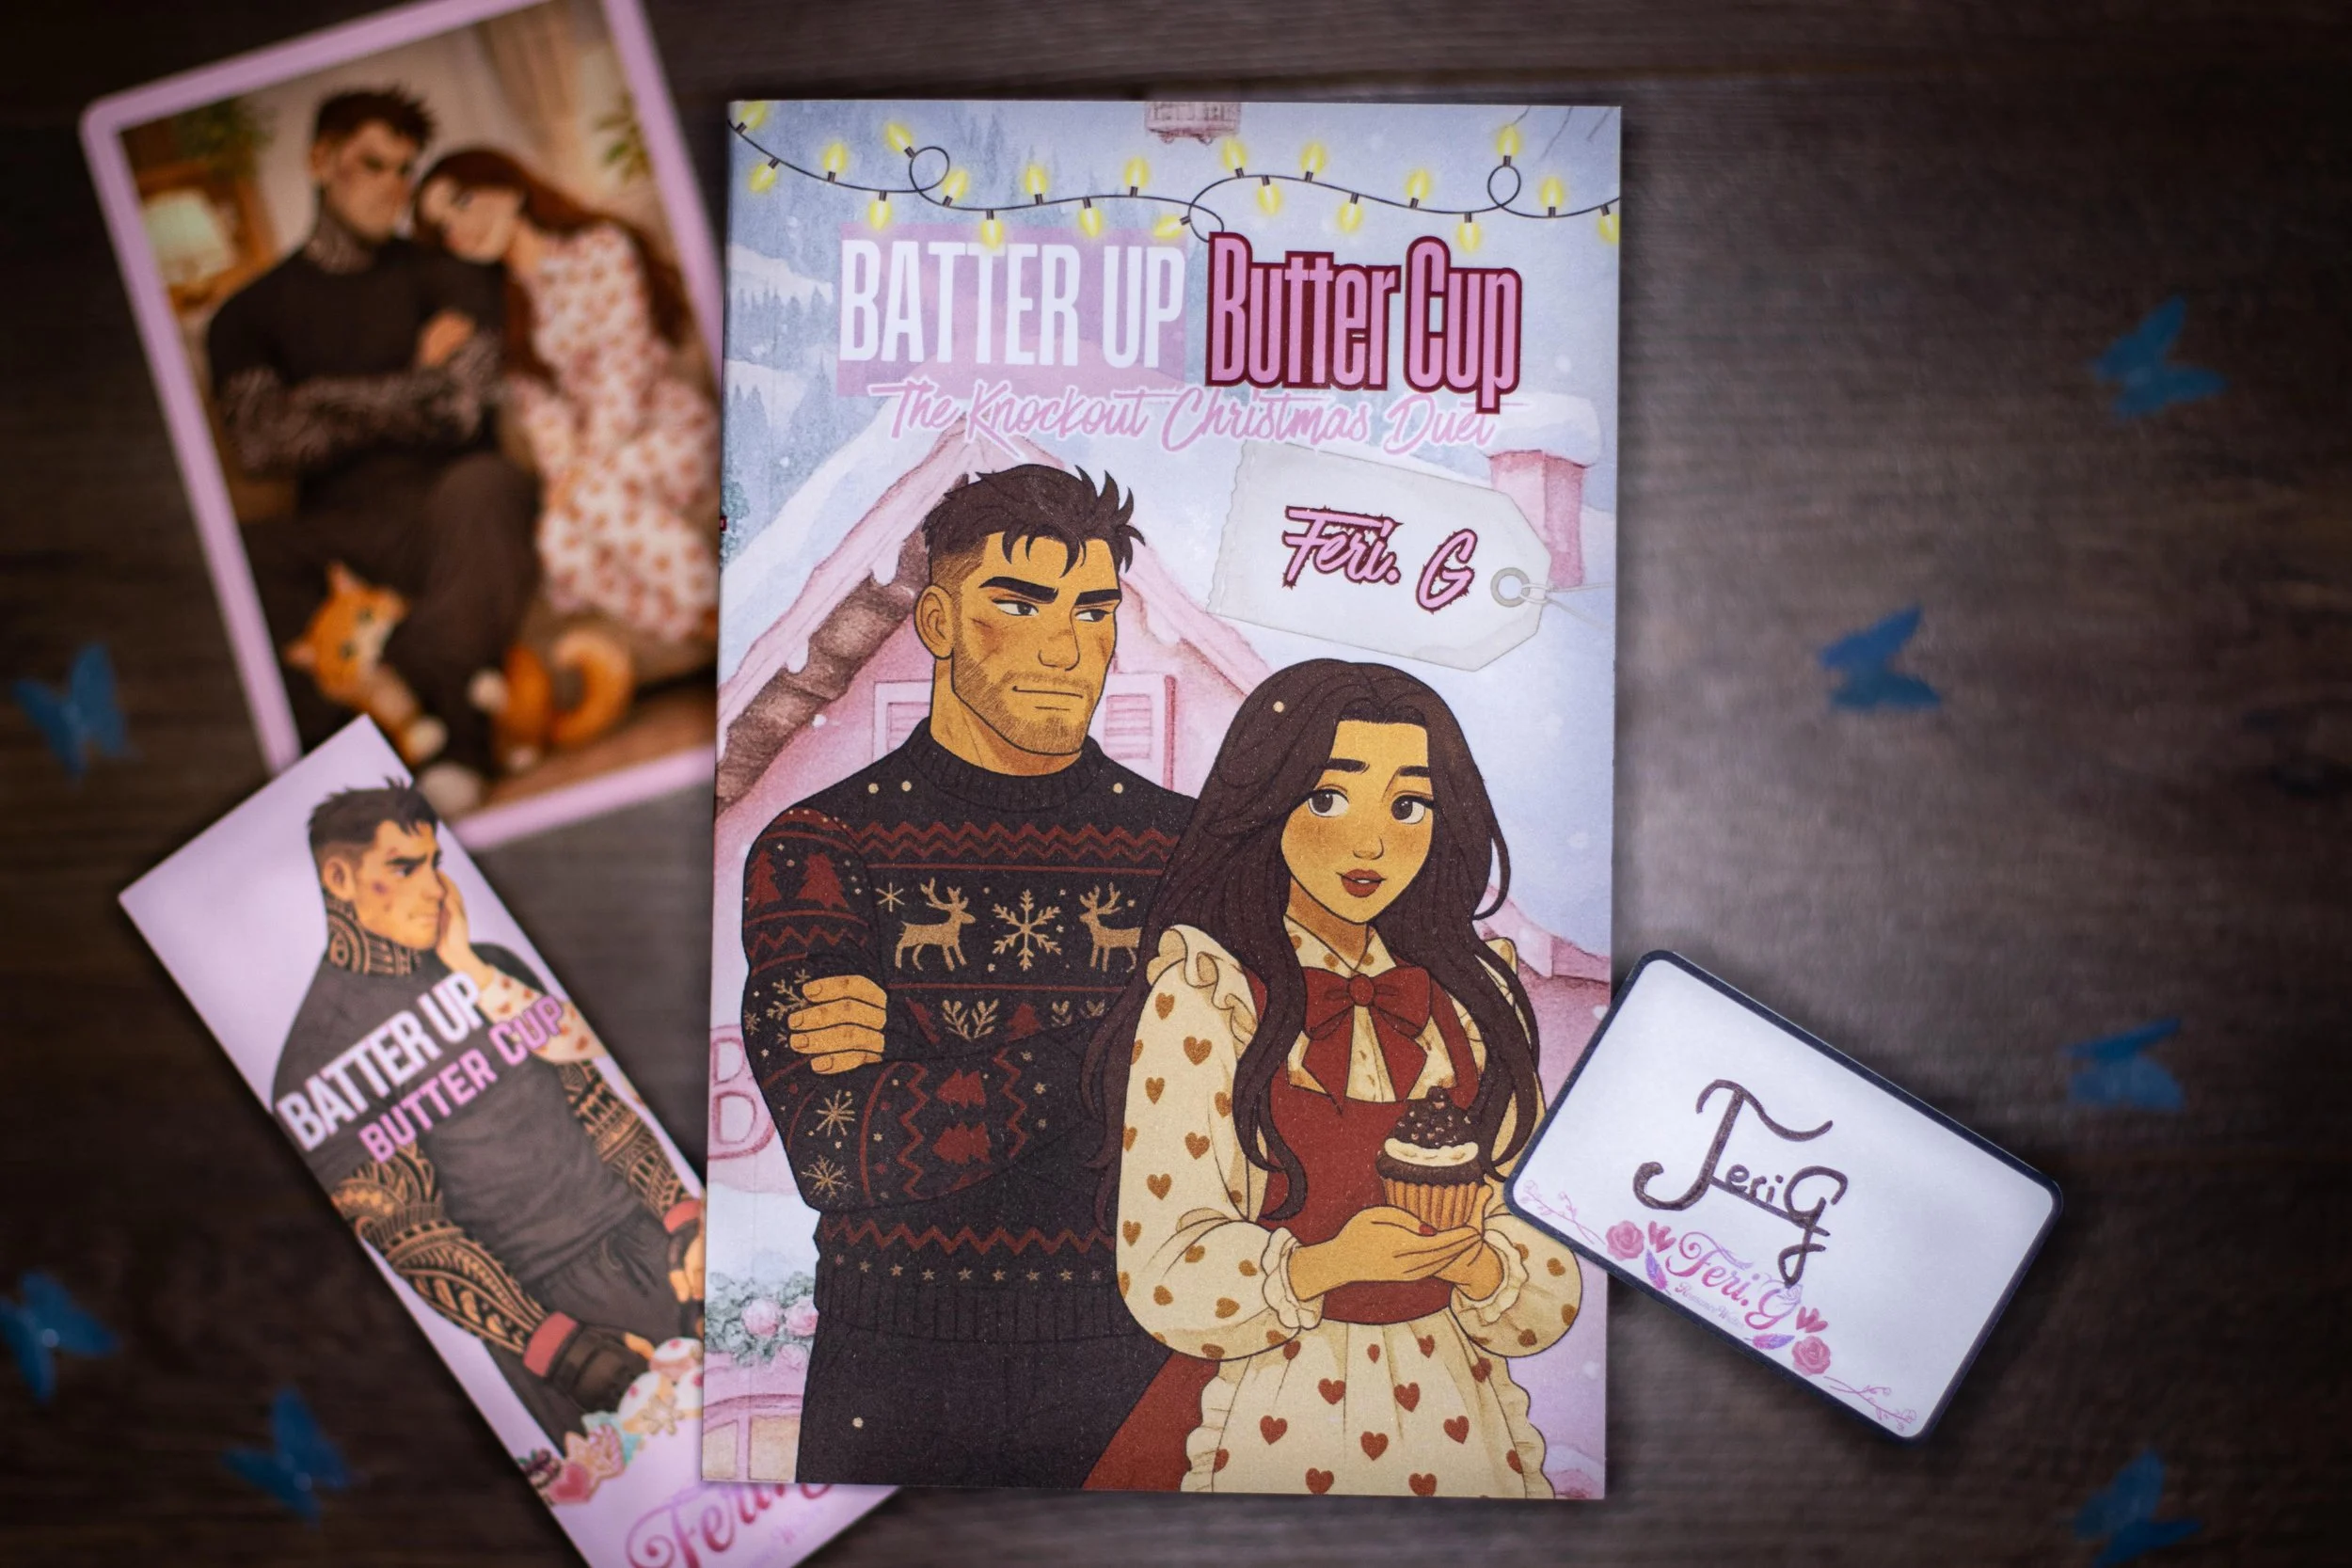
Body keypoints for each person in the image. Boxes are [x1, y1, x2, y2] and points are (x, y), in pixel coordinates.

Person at [738, 466, 1191, 1486]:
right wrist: (1128, 1042)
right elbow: (839, 1152)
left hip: (1141, 1362)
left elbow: (1239, 1122)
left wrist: (918, 1053)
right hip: (895, 1371)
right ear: (937, 621)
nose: (1066, 649)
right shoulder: (820, 845)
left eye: (1093, 611)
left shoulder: (1188, 850)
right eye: (1019, 605)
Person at [1082, 660, 1581, 1497]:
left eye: (1408, 805)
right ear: (1266, 801)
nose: (1371, 843)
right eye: (1327, 798)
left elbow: (1548, 1250)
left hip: (1452, 1409)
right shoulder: (1209, 994)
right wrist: (1324, 1264)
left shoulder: (1471, 1002)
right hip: (1258, 1395)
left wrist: (1480, 1266)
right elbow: (1163, 1263)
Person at [272, 782, 704, 1444]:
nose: (433, 888)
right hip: (552, 1313)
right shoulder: (317, 1062)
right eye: (403, 868)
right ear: (339, 878)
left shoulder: (488, 967)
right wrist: (562, 1351)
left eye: (434, 862)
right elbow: (412, 1233)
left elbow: (596, 1101)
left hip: (660, 1250)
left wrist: (683, 1220)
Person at [209, 90, 538, 811]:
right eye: (372, 164)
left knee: (489, 485)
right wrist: (415, 382)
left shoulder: (453, 272)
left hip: (447, 504)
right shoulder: (246, 315)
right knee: (236, 555)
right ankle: (344, 762)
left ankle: (453, 734)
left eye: (404, 169)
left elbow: (458, 410)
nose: (393, 185)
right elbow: (264, 442)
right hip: (337, 531)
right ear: (321, 161)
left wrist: (320, 397)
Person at [413, 149, 718, 647]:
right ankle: (704, 626)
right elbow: (542, 411)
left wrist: (583, 470)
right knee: (559, 542)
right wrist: (563, 474)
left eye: (462, 202)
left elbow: (625, 365)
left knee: (588, 496)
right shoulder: (508, 309)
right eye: (444, 228)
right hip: (597, 459)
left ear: (509, 188)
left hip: (664, 426)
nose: (460, 228)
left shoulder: (600, 247)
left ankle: (719, 606)